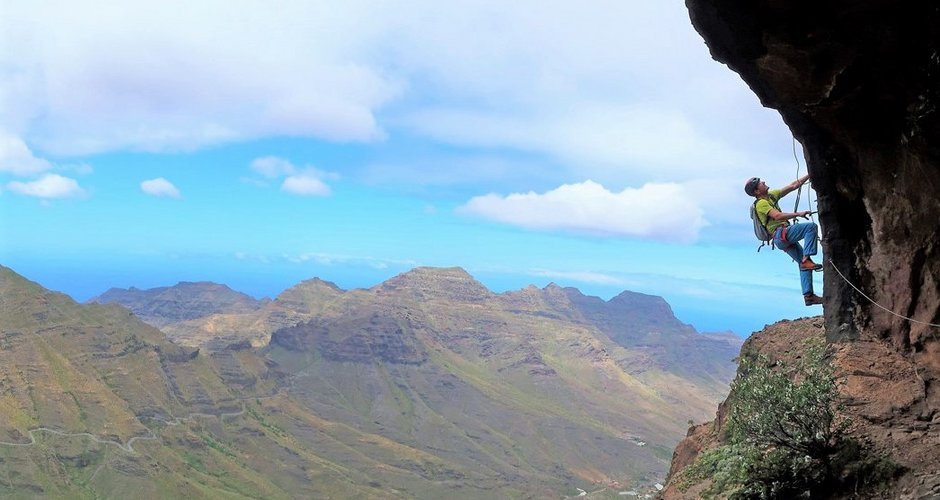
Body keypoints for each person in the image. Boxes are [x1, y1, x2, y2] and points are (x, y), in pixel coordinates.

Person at [744, 175, 824, 306]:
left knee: (803, 264)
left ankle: (809, 296)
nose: (763, 182)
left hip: (781, 239)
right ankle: (807, 258)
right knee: (811, 227)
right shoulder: (761, 204)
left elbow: (793, 185)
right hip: (781, 234)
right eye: (760, 183)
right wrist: (798, 214)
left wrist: (810, 174)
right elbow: (777, 216)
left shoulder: (772, 195)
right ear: (757, 192)